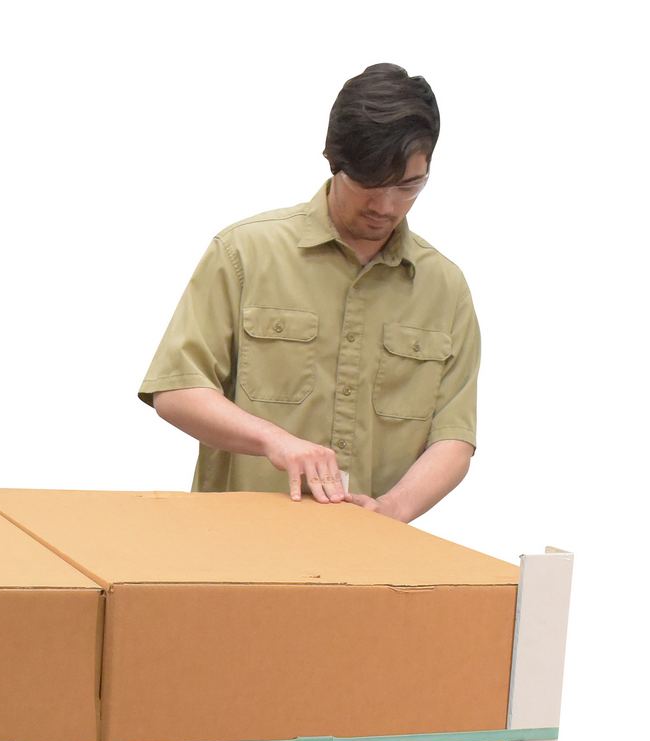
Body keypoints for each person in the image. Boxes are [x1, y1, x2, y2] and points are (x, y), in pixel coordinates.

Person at [138, 63, 478, 523]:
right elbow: (176, 389)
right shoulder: (244, 253)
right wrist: (273, 441)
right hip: (236, 547)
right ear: (335, 161)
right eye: (368, 183)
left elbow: (453, 437)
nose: (385, 205)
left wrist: (388, 513)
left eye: (407, 186)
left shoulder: (445, 288)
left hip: (371, 555)